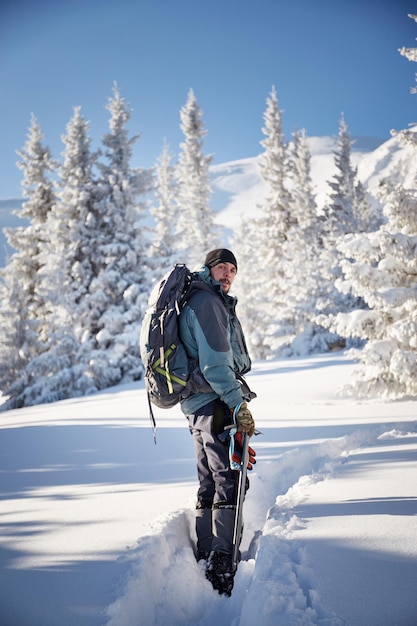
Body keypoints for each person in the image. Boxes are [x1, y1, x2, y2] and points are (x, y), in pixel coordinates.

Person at [179, 248, 256, 596]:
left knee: (209, 477)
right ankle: (223, 561)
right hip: (215, 401)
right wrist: (238, 405)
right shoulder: (208, 304)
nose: (227, 274)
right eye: (221, 267)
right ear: (208, 269)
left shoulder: (197, 299)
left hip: (197, 405)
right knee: (228, 476)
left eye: (232, 270)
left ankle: (207, 550)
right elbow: (215, 365)